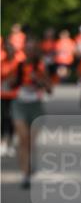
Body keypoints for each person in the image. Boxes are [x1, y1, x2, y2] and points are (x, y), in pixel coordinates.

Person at [9, 37, 52, 188]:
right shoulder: (19, 65)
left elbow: (49, 89)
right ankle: (25, 174)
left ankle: (30, 164)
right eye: (28, 49)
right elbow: (10, 82)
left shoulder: (41, 66)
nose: (30, 52)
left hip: (36, 106)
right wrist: (16, 80)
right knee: (23, 140)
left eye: (33, 49)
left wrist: (39, 80)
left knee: (31, 142)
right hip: (19, 104)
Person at [1, 39, 19, 156]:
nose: (9, 52)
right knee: (3, 118)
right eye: (6, 49)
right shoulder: (2, 63)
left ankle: (11, 143)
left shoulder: (18, 64)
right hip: (2, 94)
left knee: (13, 118)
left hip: (15, 95)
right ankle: (2, 142)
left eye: (10, 49)